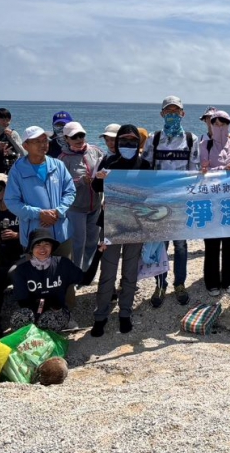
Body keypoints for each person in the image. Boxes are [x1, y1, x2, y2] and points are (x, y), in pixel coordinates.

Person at [92, 125, 153, 336]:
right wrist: (99, 178)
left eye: (132, 141)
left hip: (135, 224)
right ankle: (100, 315)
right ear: (117, 143)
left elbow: (154, 191)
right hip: (111, 223)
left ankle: (125, 312)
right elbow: (95, 187)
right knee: (107, 271)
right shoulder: (109, 161)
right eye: (123, 141)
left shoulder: (145, 165)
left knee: (129, 271)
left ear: (139, 143)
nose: (128, 145)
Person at [142, 96, 199, 308]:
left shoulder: (192, 140)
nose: (172, 115)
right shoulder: (153, 139)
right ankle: (160, 284)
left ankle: (180, 284)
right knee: (160, 245)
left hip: (181, 203)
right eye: (169, 112)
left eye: (176, 111)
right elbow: (144, 170)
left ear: (183, 114)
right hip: (158, 202)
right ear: (162, 114)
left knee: (181, 246)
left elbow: (194, 171)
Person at [4, 126, 76, 251]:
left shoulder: (58, 165)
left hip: (61, 233)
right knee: (36, 269)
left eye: (45, 140)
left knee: (63, 269)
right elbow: (11, 201)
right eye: (37, 141)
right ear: (25, 146)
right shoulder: (17, 170)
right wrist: (39, 214)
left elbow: (70, 191)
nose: (43, 144)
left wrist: (57, 212)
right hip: (34, 236)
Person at [200, 110, 230, 295]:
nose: (220, 127)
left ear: (229, 124)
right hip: (211, 201)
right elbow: (203, 169)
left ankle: (229, 279)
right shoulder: (205, 144)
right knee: (211, 244)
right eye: (216, 124)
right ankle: (211, 281)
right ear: (211, 124)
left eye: (223, 123)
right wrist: (223, 169)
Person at [10, 229, 84, 332]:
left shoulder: (62, 263)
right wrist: (39, 311)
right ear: (31, 248)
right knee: (19, 319)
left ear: (52, 247)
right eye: (37, 245)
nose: (42, 249)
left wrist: (98, 253)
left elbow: (86, 279)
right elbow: (22, 301)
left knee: (49, 322)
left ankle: (63, 322)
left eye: (46, 244)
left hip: (56, 309)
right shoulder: (22, 270)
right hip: (34, 309)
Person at [58, 121, 104, 274]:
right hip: (75, 208)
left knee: (92, 241)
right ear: (66, 138)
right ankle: (76, 273)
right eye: (74, 136)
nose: (79, 139)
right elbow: (60, 184)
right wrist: (80, 181)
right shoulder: (63, 158)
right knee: (78, 243)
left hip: (95, 205)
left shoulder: (96, 151)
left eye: (81, 135)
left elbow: (105, 169)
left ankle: (88, 271)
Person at [0, 108, 26, 174]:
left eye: (8, 119)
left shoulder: (13, 133)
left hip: (12, 170)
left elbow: (23, 153)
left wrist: (12, 139)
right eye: (3, 119)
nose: (6, 122)